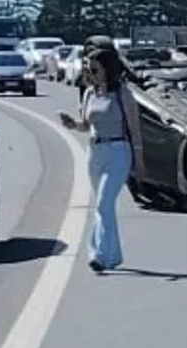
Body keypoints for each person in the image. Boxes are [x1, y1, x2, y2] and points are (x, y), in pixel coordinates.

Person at [59, 47, 147, 272]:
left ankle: (98, 254)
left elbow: (134, 129)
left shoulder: (122, 94)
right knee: (104, 209)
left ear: (108, 69)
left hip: (118, 150)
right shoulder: (89, 93)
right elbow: (86, 125)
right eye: (88, 69)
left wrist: (139, 160)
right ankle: (113, 255)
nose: (91, 73)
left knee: (103, 203)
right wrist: (72, 124)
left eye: (95, 69)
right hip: (95, 152)